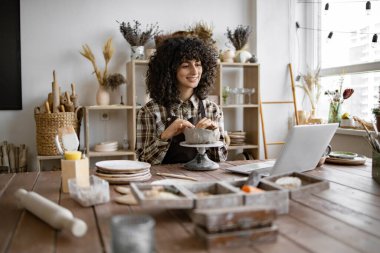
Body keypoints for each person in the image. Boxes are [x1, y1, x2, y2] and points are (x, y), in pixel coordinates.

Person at [136, 36, 227, 165]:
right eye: (185, 65)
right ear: (169, 70)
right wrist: (165, 136)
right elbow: (143, 161)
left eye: (198, 64)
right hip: (164, 182)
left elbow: (221, 160)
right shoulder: (149, 112)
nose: (195, 71)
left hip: (202, 180)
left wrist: (214, 136)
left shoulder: (212, 110)